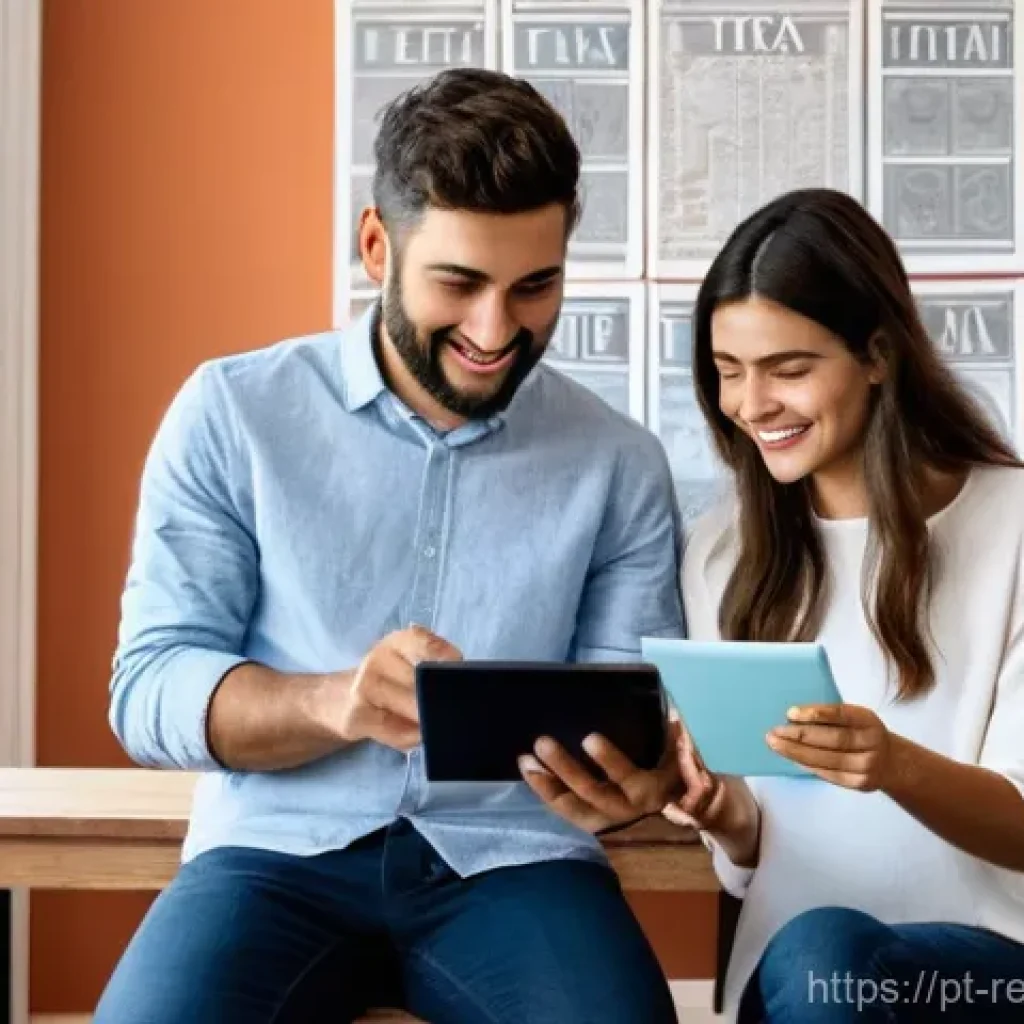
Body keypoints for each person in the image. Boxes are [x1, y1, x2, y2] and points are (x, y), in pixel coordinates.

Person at [95, 68, 685, 1024]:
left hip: (516, 864)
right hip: (272, 855)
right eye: (460, 283)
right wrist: (334, 702)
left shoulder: (619, 462)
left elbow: (627, 705)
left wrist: (638, 781)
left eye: (534, 287)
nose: (496, 331)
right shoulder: (232, 413)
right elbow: (150, 689)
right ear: (377, 244)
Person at [660, 187, 1024, 1022]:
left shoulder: (1012, 527)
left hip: (988, 974)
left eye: (789, 370)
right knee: (820, 952)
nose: (753, 404)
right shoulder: (721, 555)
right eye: (728, 372)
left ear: (878, 356)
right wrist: (724, 814)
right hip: (798, 982)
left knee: (830, 951)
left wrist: (894, 765)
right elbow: (752, 857)